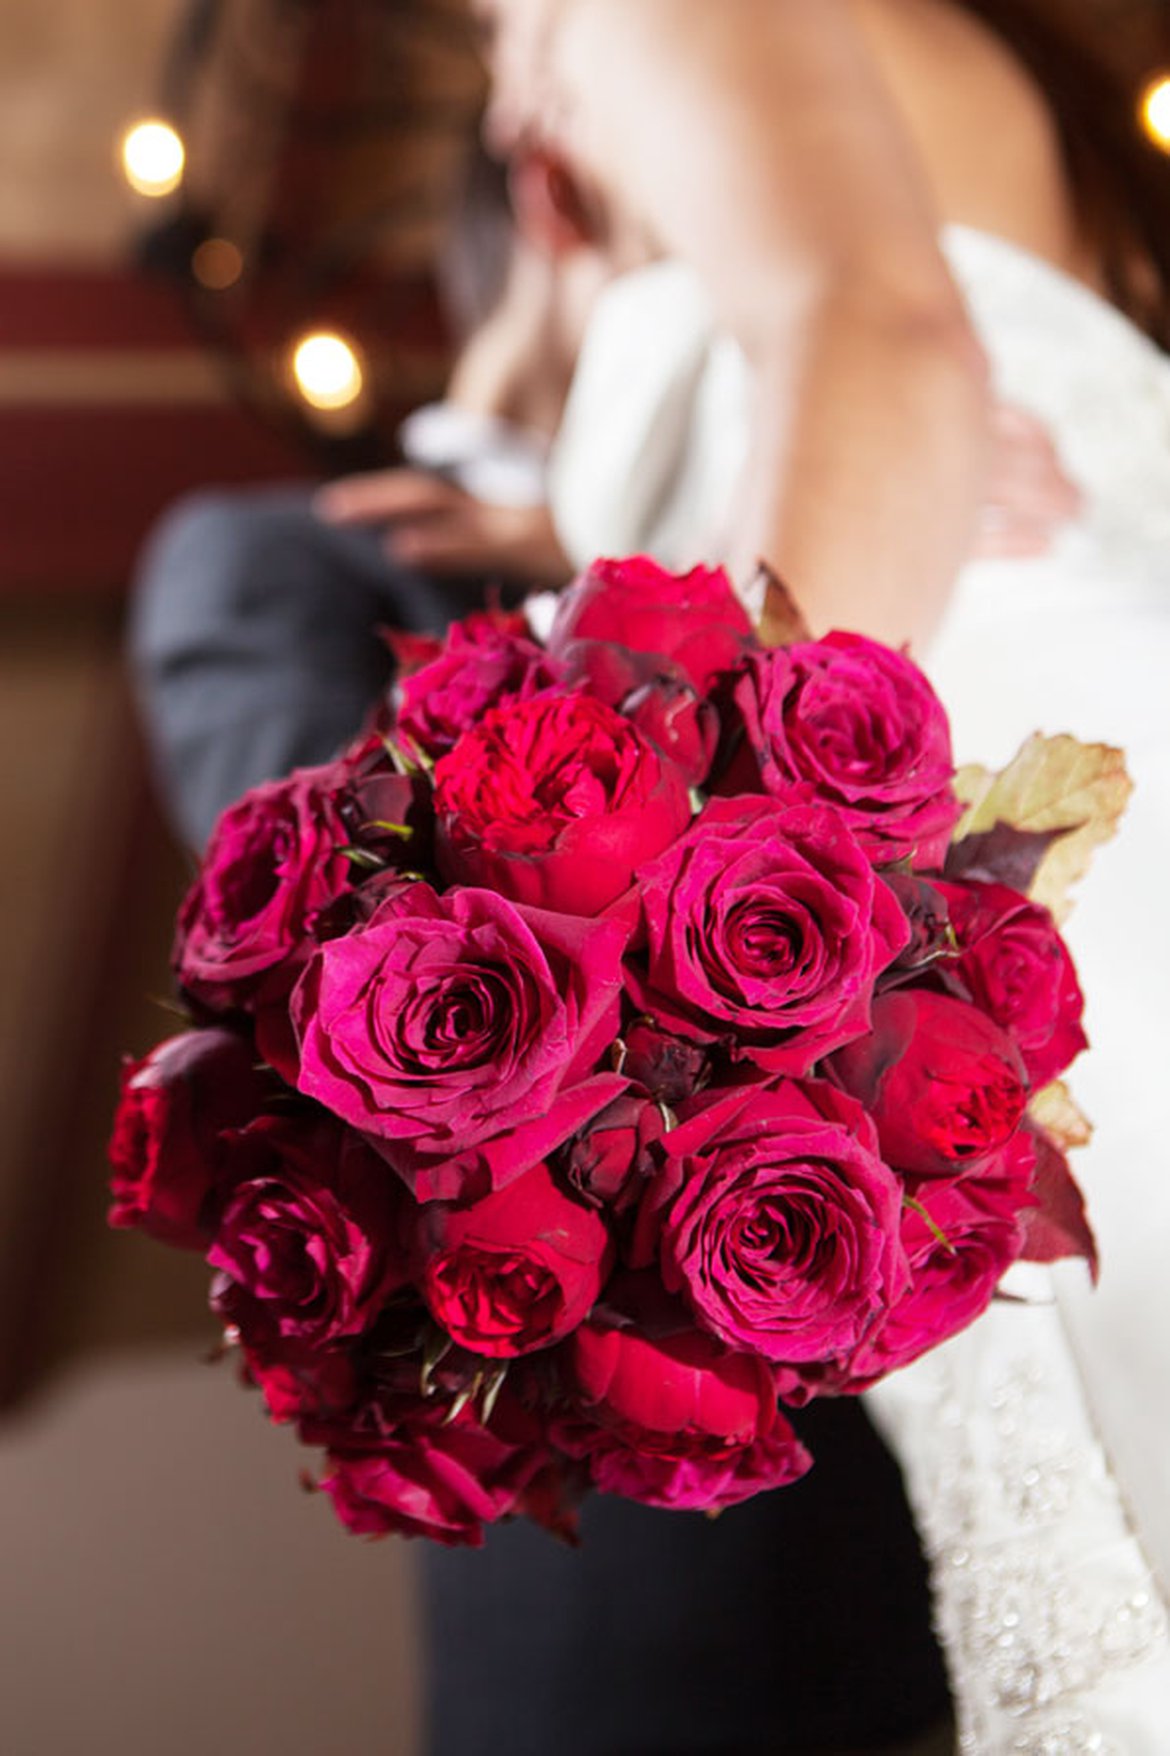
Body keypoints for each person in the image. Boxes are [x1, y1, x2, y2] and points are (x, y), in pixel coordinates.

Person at [130, 0, 1170, 1748]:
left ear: (545, 193)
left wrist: (653, 946)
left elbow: (887, 341)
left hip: (960, 785)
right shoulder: (960, 97)